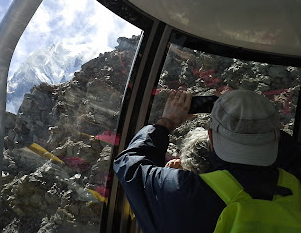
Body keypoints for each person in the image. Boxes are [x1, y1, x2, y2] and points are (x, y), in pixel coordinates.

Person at [114, 89, 301, 233]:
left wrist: (167, 121)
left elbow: (128, 164)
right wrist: (250, 122)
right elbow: (290, 150)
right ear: (276, 137)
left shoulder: (184, 194)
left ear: (210, 138)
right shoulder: (296, 182)